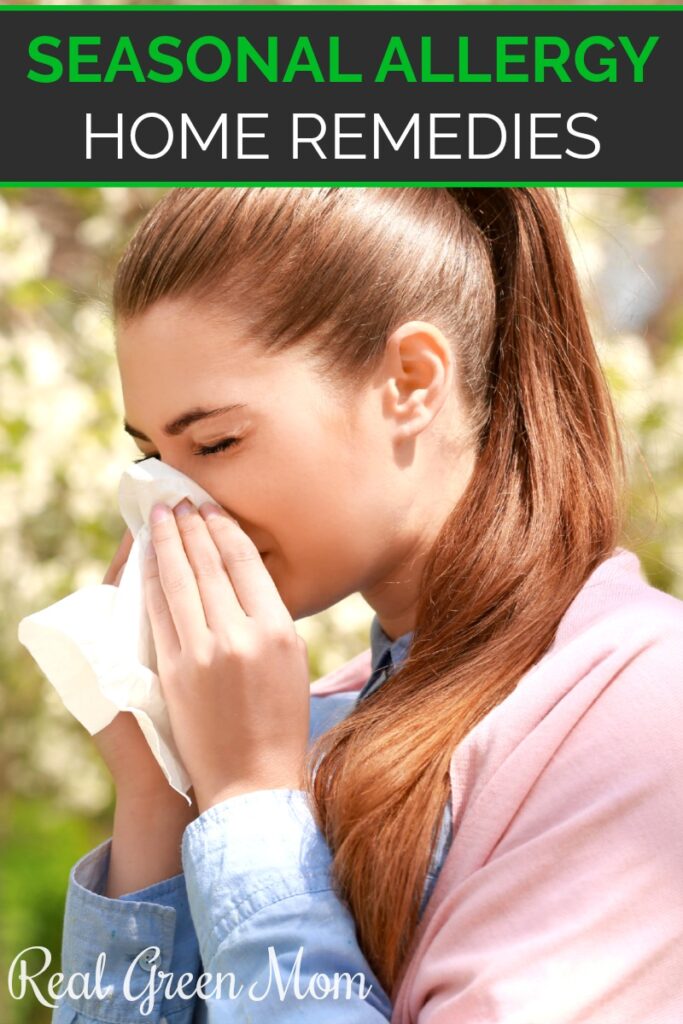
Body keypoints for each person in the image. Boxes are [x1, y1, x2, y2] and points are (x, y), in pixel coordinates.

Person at [50, 187, 683, 1023]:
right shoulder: (311, 729)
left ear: (410, 383)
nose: (171, 506)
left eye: (214, 443)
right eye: (152, 457)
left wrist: (247, 801)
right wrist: (158, 795)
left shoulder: (637, 707)